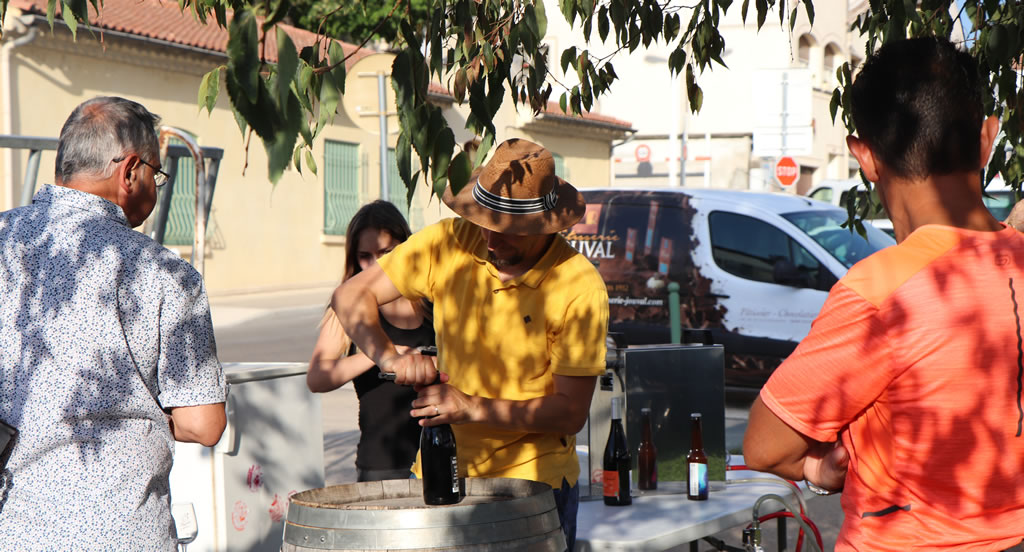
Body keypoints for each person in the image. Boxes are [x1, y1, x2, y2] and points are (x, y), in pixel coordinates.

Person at [743, 37, 1024, 550]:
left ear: (866, 156)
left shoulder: (882, 291)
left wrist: (815, 468)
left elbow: (764, 445)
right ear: (987, 139)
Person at [333, 138, 609, 551]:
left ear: (545, 226)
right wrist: (389, 356)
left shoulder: (579, 285)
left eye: (508, 232)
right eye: (484, 223)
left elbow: (570, 413)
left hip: (533, 485)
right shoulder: (449, 242)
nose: (491, 241)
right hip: (439, 473)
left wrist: (473, 406)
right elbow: (350, 297)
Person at [0, 97, 227, 550]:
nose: (156, 186)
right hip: (125, 532)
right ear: (129, 172)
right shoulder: (165, 273)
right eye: (156, 174)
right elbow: (204, 425)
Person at [307, 200, 435, 481]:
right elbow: (317, 378)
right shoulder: (347, 310)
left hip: (439, 458)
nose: (377, 265)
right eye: (365, 256)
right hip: (381, 466)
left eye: (387, 253)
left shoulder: (434, 302)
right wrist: (381, 354)